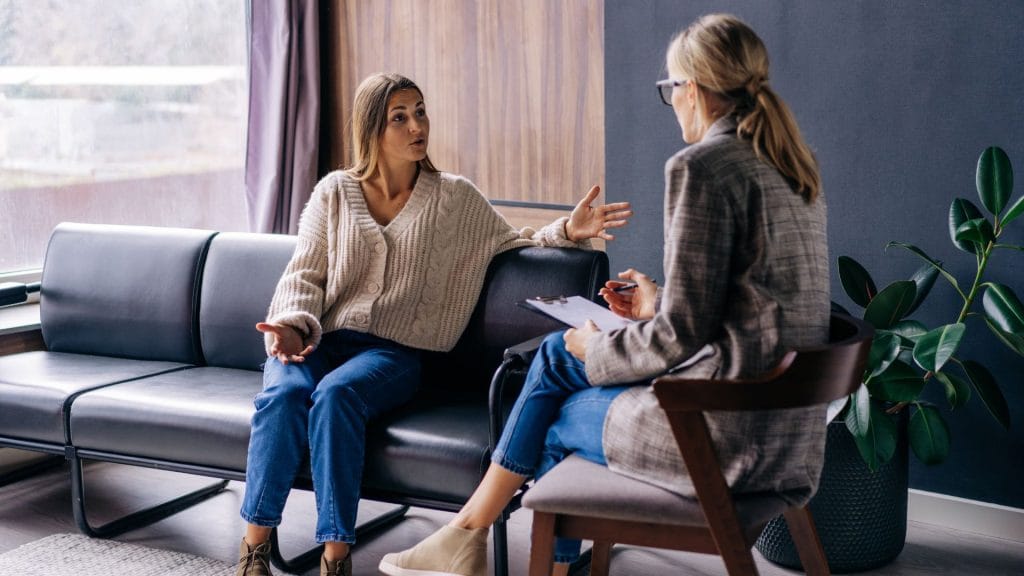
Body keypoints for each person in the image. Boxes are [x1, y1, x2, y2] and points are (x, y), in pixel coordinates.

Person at [380, 13, 829, 576]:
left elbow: (682, 338)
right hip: (786, 436)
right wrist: (656, 301)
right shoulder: (791, 167)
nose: (674, 104)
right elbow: (752, 309)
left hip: (720, 438)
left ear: (691, 89)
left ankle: (472, 538)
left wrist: (597, 348)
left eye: (671, 91)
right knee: (553, 358)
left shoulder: (703, 167)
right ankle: (470, 539)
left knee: (553, 402)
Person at [233, 72, 631, 576]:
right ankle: (254, 551)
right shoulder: (334, 191)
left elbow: (512, 241)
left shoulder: (453, 199)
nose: (416, 125)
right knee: (283, 396)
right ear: (371, 129)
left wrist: (569, 230)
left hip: (394, 353)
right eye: (399, 117)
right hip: (319, 339)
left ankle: (336, 555)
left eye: (420, 111)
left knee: (336, 397)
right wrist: (291, 325)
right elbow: (305, 273)